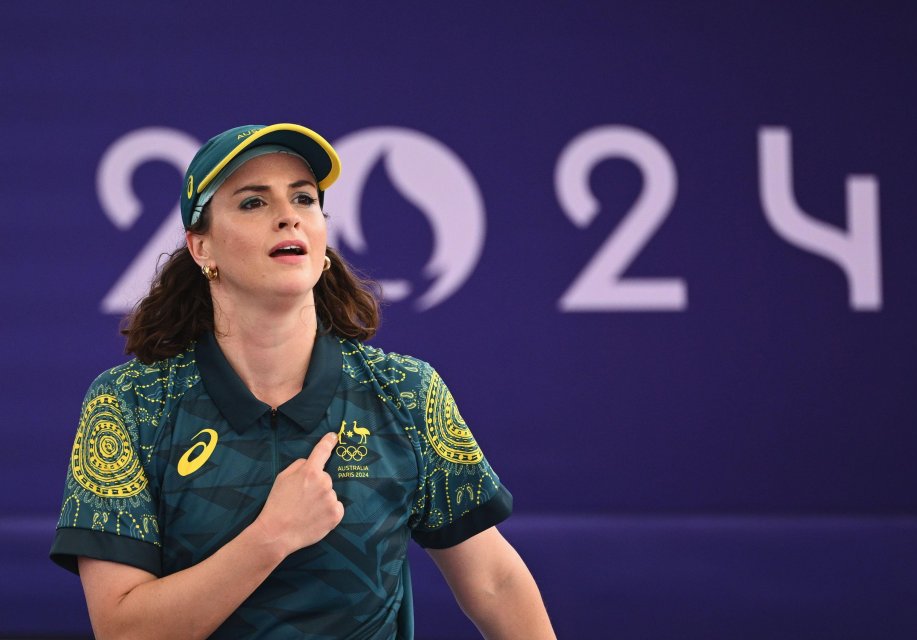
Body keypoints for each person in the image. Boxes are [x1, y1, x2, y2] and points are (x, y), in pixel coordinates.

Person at [50, 123, 555, 639]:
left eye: (305, 199)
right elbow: (123, 631)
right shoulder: (130, 403)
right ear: (201, 248)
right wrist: (270, 538)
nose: (288, 215)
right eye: (253, 203)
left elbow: (494, 582)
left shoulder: (406, 391)